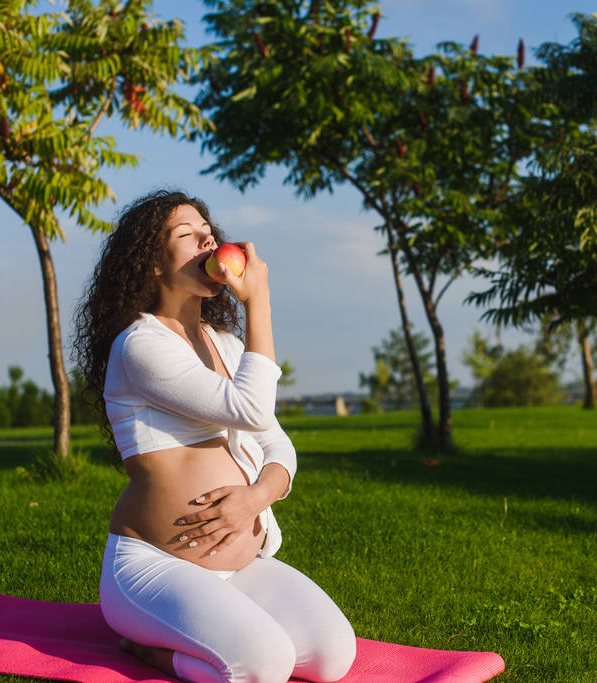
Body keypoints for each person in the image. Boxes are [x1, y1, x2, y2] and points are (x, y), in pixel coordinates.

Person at [72, 190, 356, 683]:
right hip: (153, 569)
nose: (208, 239)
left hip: (240, 569)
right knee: (264, 665)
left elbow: (277, 443)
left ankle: (203, 635)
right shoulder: (140, 345)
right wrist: (260, 300)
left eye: (209, 232)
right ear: (153, 264)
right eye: (188, 235)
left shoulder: (225, 343)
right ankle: (153, 651)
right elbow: (250, 407)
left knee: (332, 658)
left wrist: (255, 498)